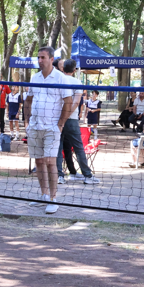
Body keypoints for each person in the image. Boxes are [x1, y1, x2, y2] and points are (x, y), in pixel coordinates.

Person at [25, 47, 74, 213]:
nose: (40, 60)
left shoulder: (60, 78)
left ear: (51, 59)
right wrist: (27, 122)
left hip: (52, 126)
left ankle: (53, 198)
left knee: (50, 162)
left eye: (43, 57)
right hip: (35, 125)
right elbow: (29, 100)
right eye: (38, 57)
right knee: (38, 161)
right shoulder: (35, 77)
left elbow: (68, 102)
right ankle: (43, 195)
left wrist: (60, 124)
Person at [55, 59, 98, 184]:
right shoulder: (76, 82)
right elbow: (76, 102)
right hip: (71, 119)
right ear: (74, 70)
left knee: (58, 147)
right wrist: (67, 115)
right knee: (79, 148)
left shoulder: (58, 80)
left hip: (57, 119)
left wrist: (62, 117)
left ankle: (59, 176)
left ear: (63, 69)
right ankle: (87, 176)